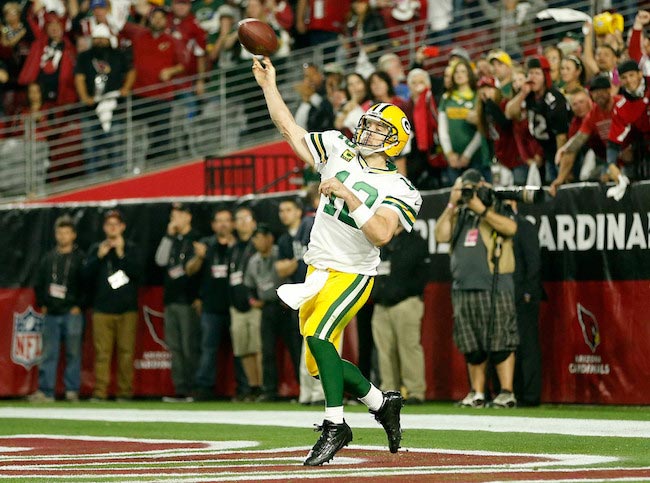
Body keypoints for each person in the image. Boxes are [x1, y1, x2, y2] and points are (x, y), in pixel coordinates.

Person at [252, 55, 422, 466]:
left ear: (395, 139)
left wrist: (350, 196)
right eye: (368, 122)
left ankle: (335, 425)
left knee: (321, 339)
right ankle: (382, 402)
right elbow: (289, 128)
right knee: (316, 362)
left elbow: (381, 234)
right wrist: (268, 86)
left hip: (353, 272)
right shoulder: (337, 147)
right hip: (317, 268)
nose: (367, 129)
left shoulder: (401, 186)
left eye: (380, 127)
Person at [433, 169, 518, 409]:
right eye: (464, 188)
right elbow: (440, 235)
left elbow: (511, 228)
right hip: (463, 287)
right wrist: (452, 204)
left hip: (494, 284)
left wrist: (481, 207)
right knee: (471, 345)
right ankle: (478, 392)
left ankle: (506, 392)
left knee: (501, 340)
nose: (468, 193)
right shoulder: (458, 213)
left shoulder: (496, 205)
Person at [84, 210, 142, 401]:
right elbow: (85, 276)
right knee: (102, 354)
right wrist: (99, 257)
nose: (113, 228)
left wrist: (121, 254)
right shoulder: (96, 249)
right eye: (109, 224)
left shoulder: (131, 248)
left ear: (123, 227)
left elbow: (139, 274)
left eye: (116, 224)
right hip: (102, 310)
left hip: (127, 310)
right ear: (104, 228)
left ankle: (125, 392)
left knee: (126, 353)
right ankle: (100, 392)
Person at [370, 224, 430, 404]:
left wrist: (401, 291)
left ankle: (415, 391)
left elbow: (422, 275)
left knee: (409, 347)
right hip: (381, 304)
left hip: (406, 302)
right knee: (384, 351)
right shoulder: (379, 241)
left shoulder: (415, 241)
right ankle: (389, 391)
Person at [30, 215, 85, 403]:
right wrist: (42, 303)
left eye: (66, 233)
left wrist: (79, 305)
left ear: (73, 235)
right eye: (60, 233)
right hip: (51, 312)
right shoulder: (48, 258)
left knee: (73, 353)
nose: (63, 236)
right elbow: (39, 284)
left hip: (72, 312)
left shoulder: (80, 258)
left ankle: (72, 390)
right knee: (48, 353)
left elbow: (87, 284)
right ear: (55, 235)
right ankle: (46, 391)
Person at [245, 223, 301, 401]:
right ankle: (269, 390)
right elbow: (249, 286)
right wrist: (253, 299)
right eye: (255, 238)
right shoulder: (253, 261)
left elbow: (294, 274)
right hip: (267, 307)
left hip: (284, 306)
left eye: (262, 237)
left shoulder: (280, 252)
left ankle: (303, 389)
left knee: (295, 348)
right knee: (267, 350)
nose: (258, 241)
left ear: (270, 238)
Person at [186, 207, 237, 401]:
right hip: (211, 307)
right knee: (208, 349)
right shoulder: (206, 245)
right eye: (219, 221)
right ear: (213, 225)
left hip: (235, 306)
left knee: (241, 351)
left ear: (232, 224)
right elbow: (189, 271)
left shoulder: (240, 245)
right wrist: (200, 256)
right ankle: (204, 387)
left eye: (226, 220)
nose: (223, 224)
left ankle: (244, 388)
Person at [155, 202, 201, 402]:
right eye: (172, 215)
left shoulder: (196, 238)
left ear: (188, 217)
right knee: (174, 347)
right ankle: (180, 388)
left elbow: (198, 270)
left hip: (188, 300)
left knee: (188, 345)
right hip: (171, 300)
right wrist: (167, 235)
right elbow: (160, 260)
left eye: (178, 215)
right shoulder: (171, 240)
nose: (174, 219)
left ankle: (193, 387)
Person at [509, 201, 543, 407]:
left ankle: (530, 396)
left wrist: (529, 291)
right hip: (507, 296)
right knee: (509, 347)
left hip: (523, 296)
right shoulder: (497, 226)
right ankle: (515, 391)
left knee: (527, 346)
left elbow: (534, 262)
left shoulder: (524, 226)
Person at [228, 205, 263, 400]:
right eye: (239, 219)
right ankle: (253, 387)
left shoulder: (257, 244)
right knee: (244, 349)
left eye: (246, 218)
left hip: (254, 304)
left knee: (257, 347)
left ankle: (264, 387)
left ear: (254, 222)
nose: (242, 222)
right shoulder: (234, 247)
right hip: (237, 305)